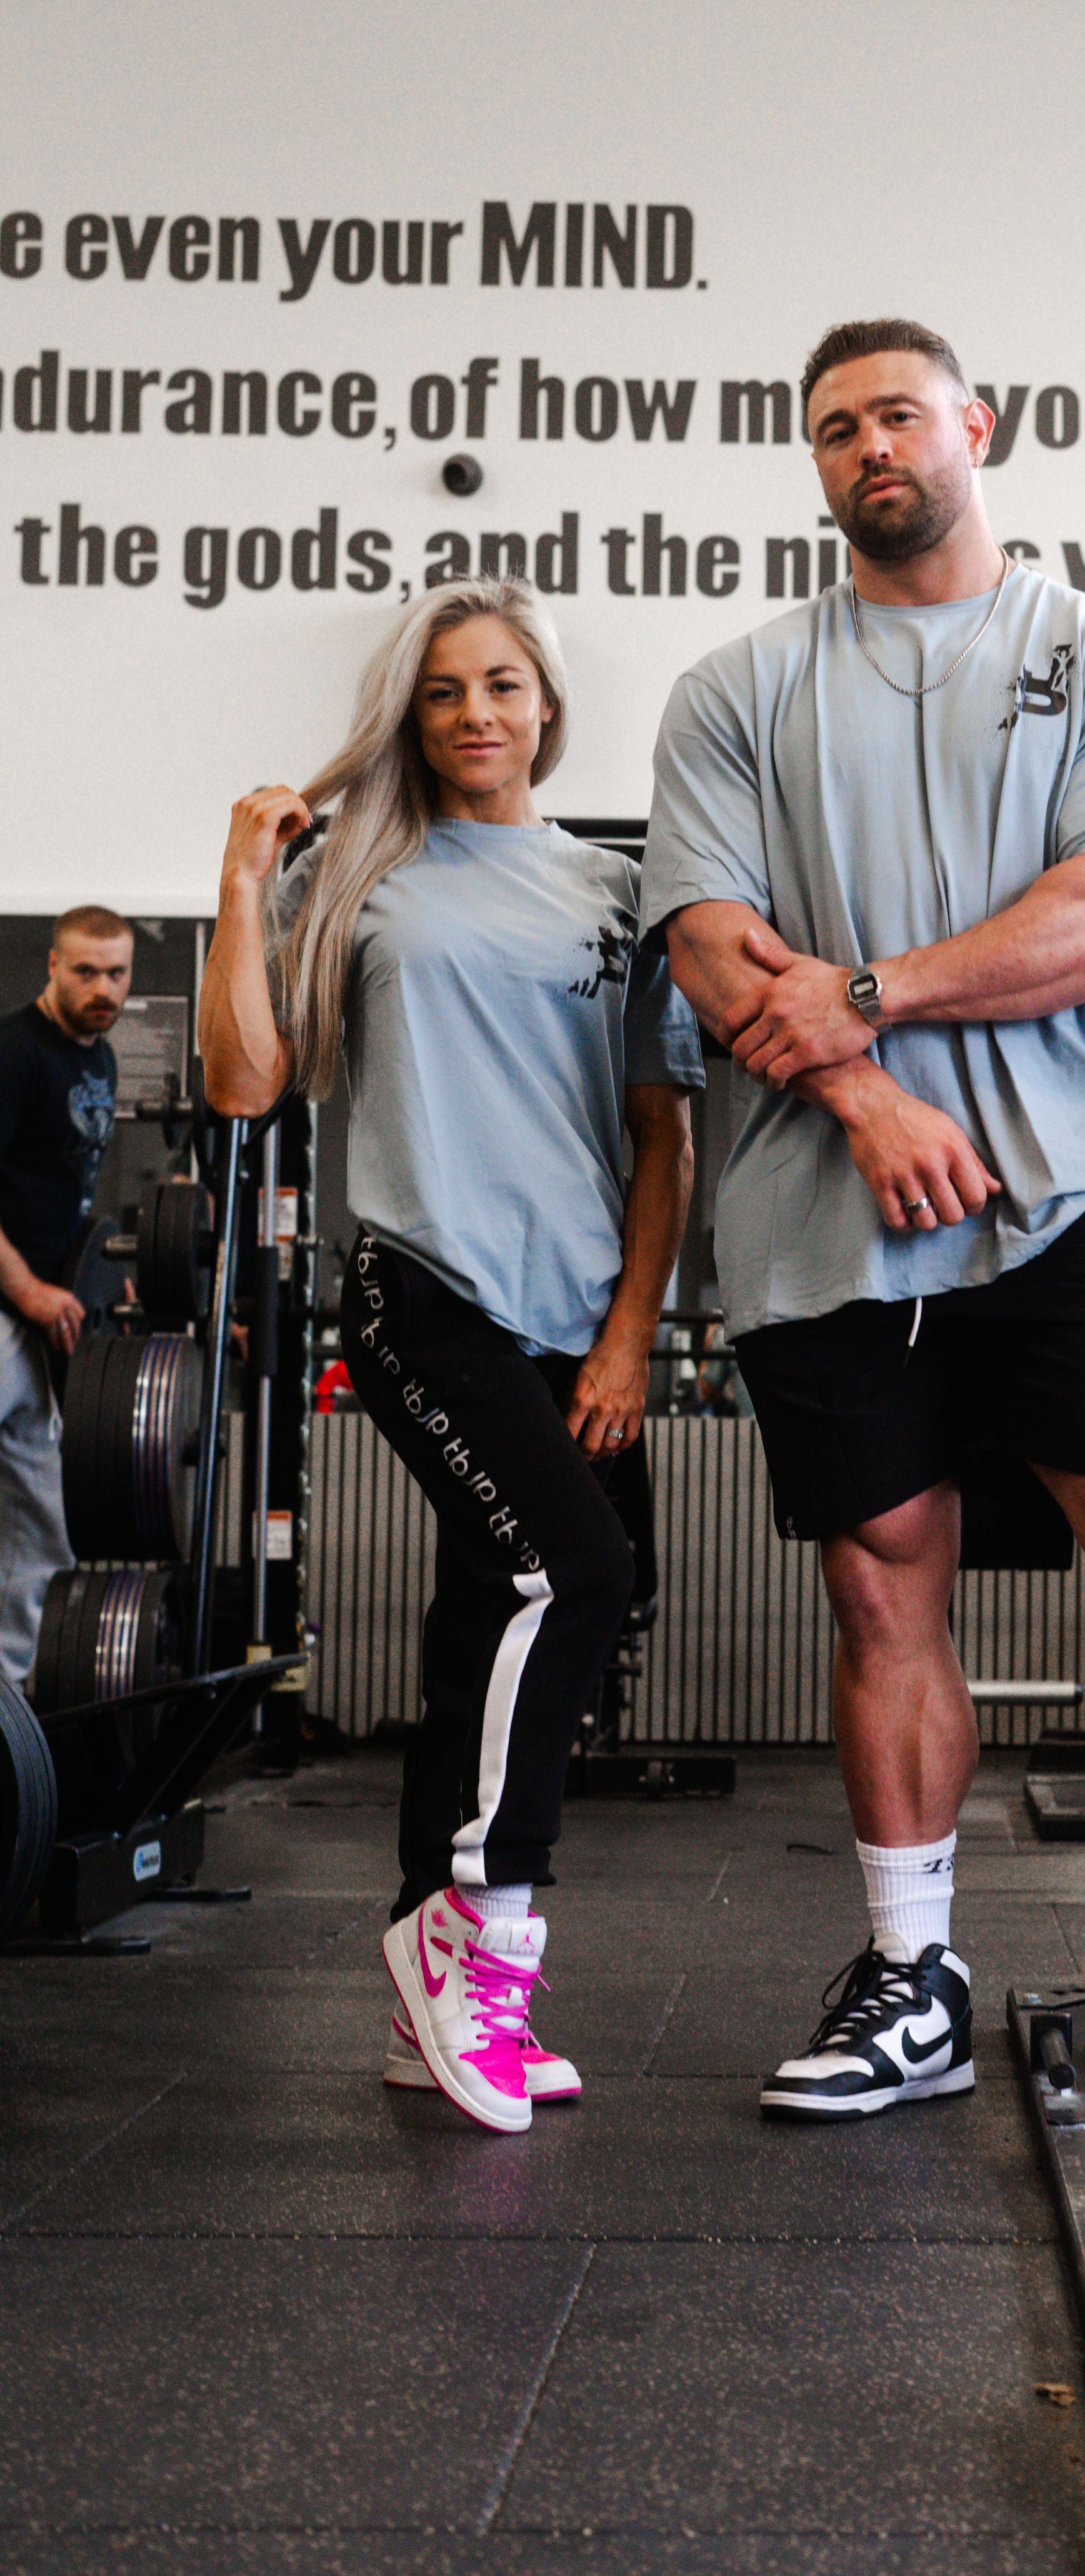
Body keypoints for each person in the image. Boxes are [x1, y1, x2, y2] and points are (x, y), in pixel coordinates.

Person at [644, 317, 1085, 2120]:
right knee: (880, 1584)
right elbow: (709, 943)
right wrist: (862, 1091)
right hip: (816, 1200)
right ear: (813, 459)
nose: (870, 444)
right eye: (835, 425)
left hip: (1071, 1179)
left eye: (899, 413)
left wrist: (857, 995)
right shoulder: (734, 687)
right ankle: (910, 1969)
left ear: (974, 428)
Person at [199, 578, 702, 2135]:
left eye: (502, 684)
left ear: (547, 705)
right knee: (578, 1570)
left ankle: (434, 1982)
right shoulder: (367, 877)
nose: (476, 712)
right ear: (409, 721)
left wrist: (630, 1332)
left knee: (499, 1601)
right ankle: (481, 1926)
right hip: (422, 1290)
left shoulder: (615, 893)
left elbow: (656, 1134)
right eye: (441, 693)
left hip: (572, 1318)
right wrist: (238, 878)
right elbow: (241, 1080)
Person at [0, 906, 135, 1688]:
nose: (103, 987)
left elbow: (70, 1193)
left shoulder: (101, 1060)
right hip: (10, 1308)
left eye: (116, 972)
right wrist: (29, 1289)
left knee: (40, 1526)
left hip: (46, 1323)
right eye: (85, 970)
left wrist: (90, 1277)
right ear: (52, 964)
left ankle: (8, 1714)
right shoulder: (13, 1053)